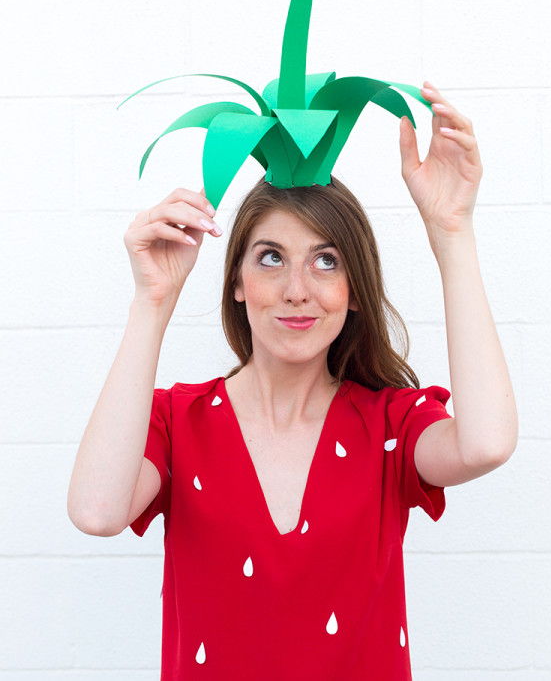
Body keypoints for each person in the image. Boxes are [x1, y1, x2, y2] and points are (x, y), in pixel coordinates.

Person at [68, 81, 518, 680]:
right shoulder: (177, 422)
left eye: (326, 261)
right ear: (237, 282)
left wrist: (452, 232)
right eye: (271, 257)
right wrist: (152, 302)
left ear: (354, 291)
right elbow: (97, 511)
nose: (297, 289)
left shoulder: (391, 425)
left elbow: (485, 443)